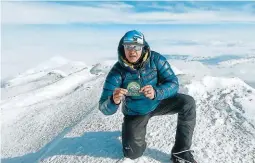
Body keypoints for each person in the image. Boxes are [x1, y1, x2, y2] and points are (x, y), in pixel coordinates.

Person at [98, 30, 197, 163]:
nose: (132, 51)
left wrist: (157, 92)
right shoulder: (117, 72)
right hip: (136, 111)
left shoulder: (156, 60)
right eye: (128, 46)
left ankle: (181, 151)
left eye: (136, 47)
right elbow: (104, 108)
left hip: (158, 102)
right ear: (123, 48)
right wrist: (113, 100)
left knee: (188, 103)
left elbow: (173, 83)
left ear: (143, 47)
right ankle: (132, 133)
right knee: (132, 154)